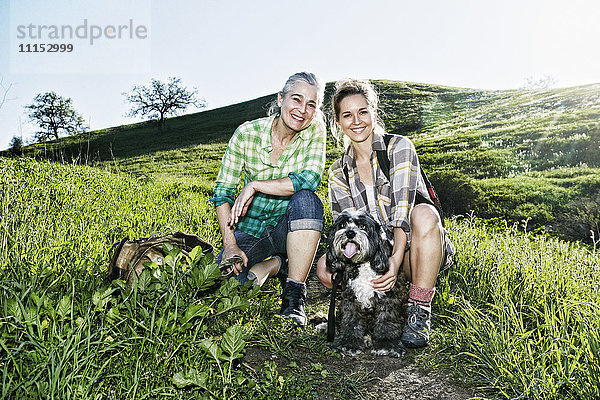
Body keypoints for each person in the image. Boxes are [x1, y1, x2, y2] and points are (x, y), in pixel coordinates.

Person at [316, 78, 454, 348]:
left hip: (414, 251)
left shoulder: (399, 147)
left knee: (424, 214)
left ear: (374, 113)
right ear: (338, 122)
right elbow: (346, 228)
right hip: (375, 254)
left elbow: (401, 216)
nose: (357, 121)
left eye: (363, 112)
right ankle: (364, 308)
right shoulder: (337, 172)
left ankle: (418, 310)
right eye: (347, 115)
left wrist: (394, 261)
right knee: (324, 267)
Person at [209, 72, 326, 327]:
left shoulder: (315, 130)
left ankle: (294, 295)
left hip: (290, 228)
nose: (303, 110)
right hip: (252, 229)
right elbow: (223, 192)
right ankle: (275, 265)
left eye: (311, 105)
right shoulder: (246, 134)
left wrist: (255, 185)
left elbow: (309, 179)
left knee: (308, 200)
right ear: (280, 98)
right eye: (296, 99)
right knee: (225, 284)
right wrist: (230, 245)